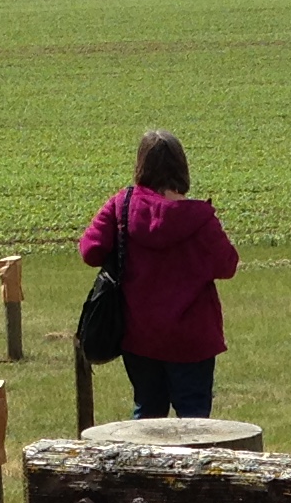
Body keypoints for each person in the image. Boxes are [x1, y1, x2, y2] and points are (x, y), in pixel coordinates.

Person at [79, 131, 240, 420]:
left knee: (147, 415)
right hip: (193, 340)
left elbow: (90, 251)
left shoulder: (122, 205)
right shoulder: (200, 219)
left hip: (139, 335)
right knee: (195, 424)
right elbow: (227, 265)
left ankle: (142, 467)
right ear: (182, 167)